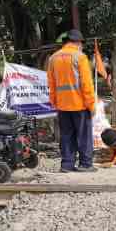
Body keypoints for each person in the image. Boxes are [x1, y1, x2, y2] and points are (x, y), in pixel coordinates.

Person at [47, 29, 97, 173]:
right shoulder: (80, 57)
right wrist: (91, 105)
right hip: (79, 104)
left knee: (66, 136)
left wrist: (54, 102)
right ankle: (85, 164)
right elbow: (86, 84)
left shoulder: (53, 58)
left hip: (62, 105)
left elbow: (51, 83)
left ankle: (67, 165)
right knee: (84, 136)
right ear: (78, 42)